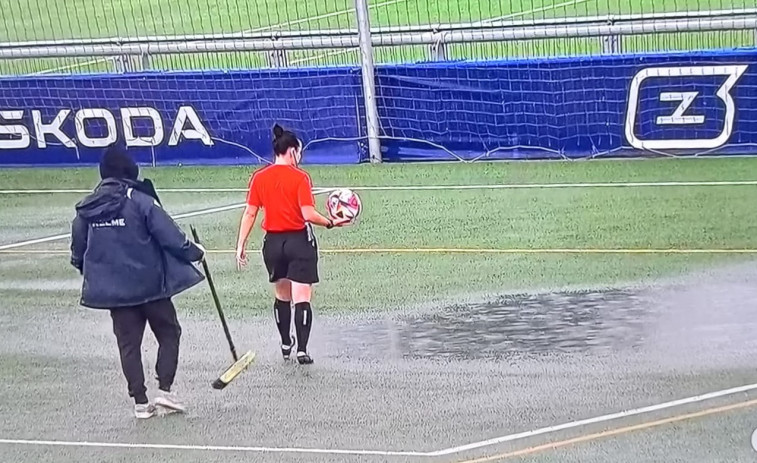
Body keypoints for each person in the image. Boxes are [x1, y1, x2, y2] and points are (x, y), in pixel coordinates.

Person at [70, 146, 206, 419]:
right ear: (128, 169)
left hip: (116, 293)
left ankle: (140, 402)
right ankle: (164, 390)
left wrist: (94, 272)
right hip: (151, 287)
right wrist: (196, 252)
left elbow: (78, 251)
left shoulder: (88, 207)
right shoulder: (139, 199)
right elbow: (171, 236)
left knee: (128, 345)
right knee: (169, 333)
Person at [235, 124, 348, 365]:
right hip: (299, 242)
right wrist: (329, 222)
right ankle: (302, 350)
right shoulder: (300, 178)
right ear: (292, 151)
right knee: (302, 296)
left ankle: (286, 342)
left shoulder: (259, 178)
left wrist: (240, 244)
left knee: (282, 295)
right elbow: (307, 213)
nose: (301, 156)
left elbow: (250, 213)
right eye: (300, 151)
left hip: (273, 245)